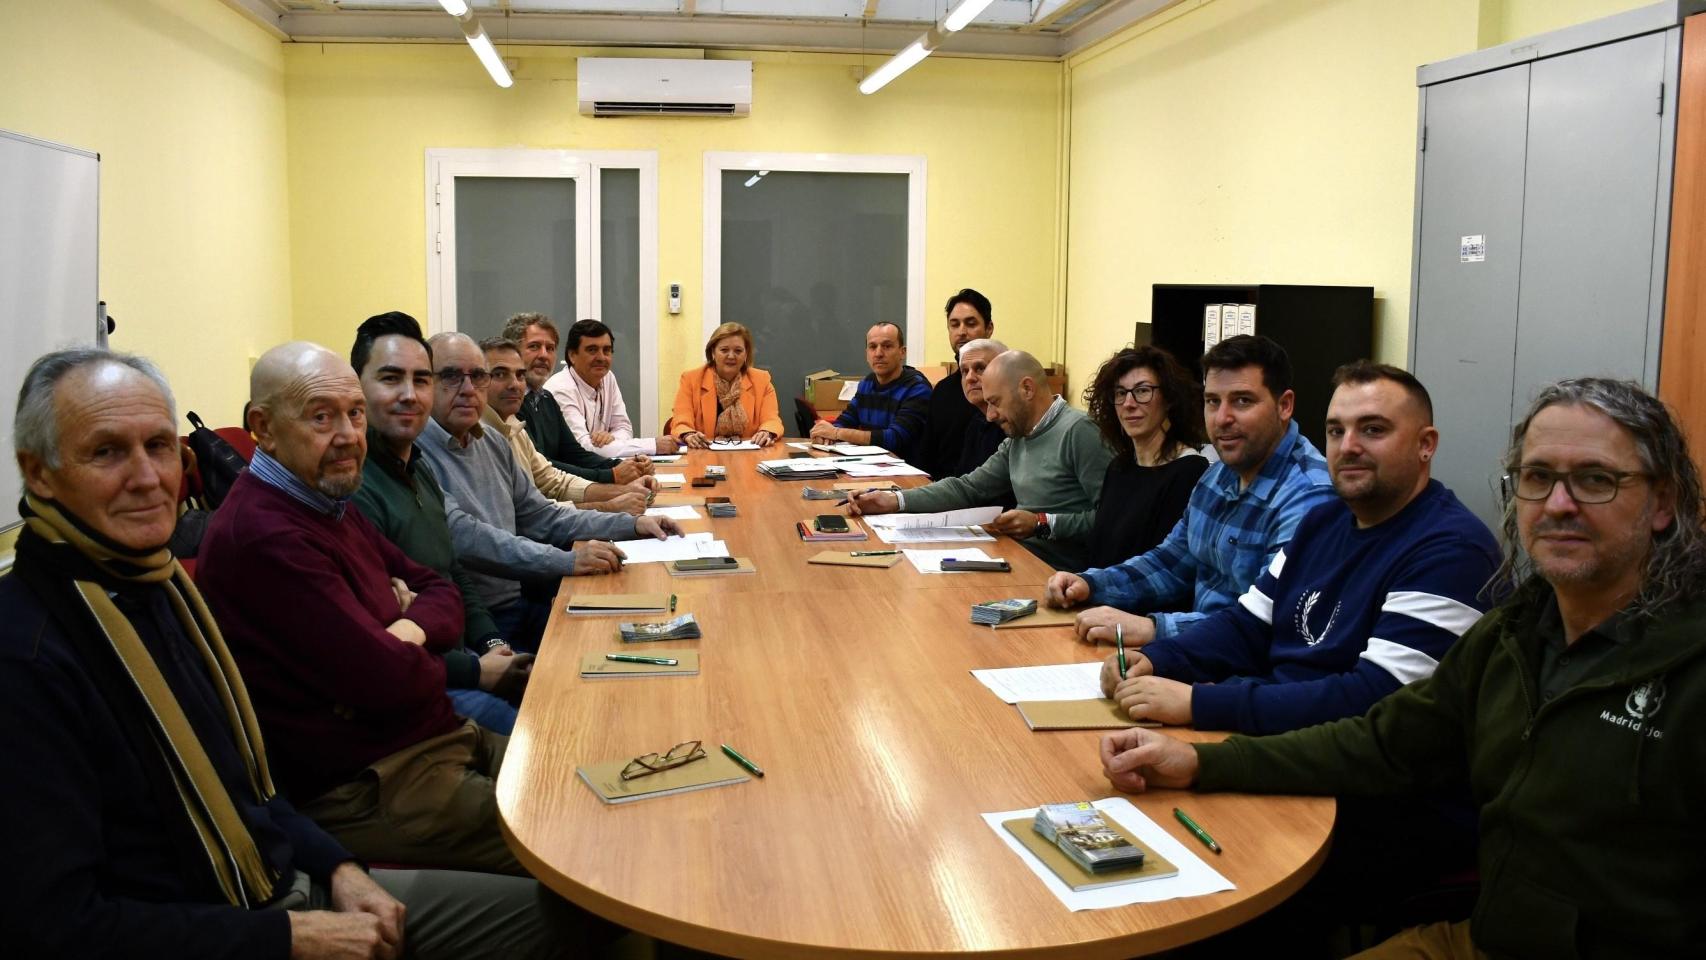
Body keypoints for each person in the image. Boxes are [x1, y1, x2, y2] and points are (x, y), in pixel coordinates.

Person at [2, 348, 588, 959]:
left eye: (158, 447)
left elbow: (248, 785)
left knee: (601, 790)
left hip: (298, 851)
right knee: (589, 881)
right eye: (106, 452)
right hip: (267, 889)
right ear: (38, 472)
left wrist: (336, 867)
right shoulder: (29, 653)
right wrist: (289, 935)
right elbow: (51, 927)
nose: (148, 477)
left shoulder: (156, 587)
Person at [1099, 377, 1706, 960]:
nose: (1559, 505)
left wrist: (1202, 704)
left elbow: (1369, 702)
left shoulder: (1679, 661)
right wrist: (1200, 761)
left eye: (1596, 480)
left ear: (1663, 502)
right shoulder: (1516, 632)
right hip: (1489, 937)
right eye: (1538, 477)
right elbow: (1383, 739)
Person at [197, 342, 518, 875]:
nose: (348, 435)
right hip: (378, 782)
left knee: (589, 777)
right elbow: (388, 680)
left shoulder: (326, 501)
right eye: (321, 417)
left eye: (354, 414)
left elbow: (440, 590)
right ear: (263, 428)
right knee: (582, 835)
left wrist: (400, 630)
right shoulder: (265, 534)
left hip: (439, 738)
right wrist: (402, 637)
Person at [1098, 361, 1499, 733]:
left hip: (1350, 767)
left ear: (1425, 444)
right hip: (1279, 733)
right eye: (1336, 431)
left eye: (1373, 429)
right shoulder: (1323, 522)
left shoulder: (1452, 551)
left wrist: (1199, 703)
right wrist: (1158, 658)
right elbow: (1248, 626)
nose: (1348, 446)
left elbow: (1376, 700)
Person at [1046, 335, 1334, 646]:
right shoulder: (1218, 475)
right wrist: (1091, 583)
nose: (1222, 418)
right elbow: (1172, 562)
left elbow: (1269, 622)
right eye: (1213, 401)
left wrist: (1153, 628)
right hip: (1198, 650)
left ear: (1284, 406)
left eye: (1242, 401)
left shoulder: (1309, 497)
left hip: (1244, 664)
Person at [418, 332, 678, 651]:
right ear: (424, 384)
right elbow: (469, 539)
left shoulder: (492, 441)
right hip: (474, 624)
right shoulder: (416, 453)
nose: (469, 389)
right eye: (451, 376)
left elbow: (541, 514)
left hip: (516, 602)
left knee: (638, 630)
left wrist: (632, 525)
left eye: (479, 376)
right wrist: (568, 560)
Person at [348, 313, 531, 736]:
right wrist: (476, 669)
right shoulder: (354, 487)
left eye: (421, 380)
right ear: (357, 387)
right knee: (533, 739)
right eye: (390, 379)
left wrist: (491, 643)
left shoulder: (417, 466)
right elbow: (381, 641)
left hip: (465, 649)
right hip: (423, 680)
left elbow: (450, 573)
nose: (409, 395)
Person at [849, 349, 1112, 571]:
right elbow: (968, 487)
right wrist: (893, 500)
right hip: (1020, 556)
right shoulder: (1019, 436)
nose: (990, 415)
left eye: (995, 402)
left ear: (1027, 389)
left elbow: (1113, 518)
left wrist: (1042, 523)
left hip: (1059, 572)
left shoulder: (1080, 432)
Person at [481, 336, 651, 514]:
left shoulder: (515, 425)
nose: (514, 384)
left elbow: (555, 481)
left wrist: (625, 490)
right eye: (500, 374)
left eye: (520, 375)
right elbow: (524, 515)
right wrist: (610, 502)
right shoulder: (477, 437)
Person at [1081, 345, 1210, 569]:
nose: (1129, 404)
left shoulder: (1189, 471)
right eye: (1120, 393)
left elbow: (1166, 568)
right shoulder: (1118, 467)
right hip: (1096, 586)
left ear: (1169, 399)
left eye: (1142, 391)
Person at [503, 311, 653, 486]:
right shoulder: (510, 402)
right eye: (534, 346)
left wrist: (627, 465)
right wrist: (610, 475)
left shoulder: (545, 398)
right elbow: (541, 467)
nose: (544, 355)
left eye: (550, 348)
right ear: (512, 353)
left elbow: (574, 453)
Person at [544, 318, 680, 458]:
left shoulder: (608, 377)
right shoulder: (560, 389)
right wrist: (653, 445)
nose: (601, 357)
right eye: (592, 350)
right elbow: (582, 448)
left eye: (607, 350)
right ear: (572, 355)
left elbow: (624, 427)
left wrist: (611, 438)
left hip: (598, 466)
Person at [809, 321, 932, 467]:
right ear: (866, 353)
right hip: (872, 467)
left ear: (902, 352)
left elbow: (894, 439)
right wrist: (825, 435)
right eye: (873, 347)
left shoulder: (917, 388)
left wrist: (836, 433)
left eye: (887, 346)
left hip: (907, 472)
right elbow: (847, 419)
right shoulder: (867, 383)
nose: (878, 353)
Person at [668, 321, 784, 448]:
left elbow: (772, 420)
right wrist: (688, 435)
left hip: (750, 454)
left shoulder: (761, 380)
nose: (731, 356)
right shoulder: (691, 380)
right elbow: (681, 421)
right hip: (703, 453)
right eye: (724, 350)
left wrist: (766, 432)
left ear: (746, 354)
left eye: (738, 351)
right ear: (713, 352)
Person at [919, 288, 995, 478]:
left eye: (970, 323)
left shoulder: (1003, 388)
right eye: (954, 325)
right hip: (941, 489)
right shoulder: (942, 391)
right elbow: (926, 455)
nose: (961, 332)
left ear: (989, 328)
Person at [944, 337, 1011, 481]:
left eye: (980, 368)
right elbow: (964, 480)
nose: (969, 378)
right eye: (964, 371)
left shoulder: (1014, 425)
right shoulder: (976, 422)